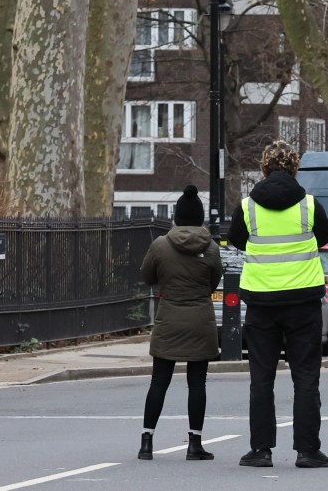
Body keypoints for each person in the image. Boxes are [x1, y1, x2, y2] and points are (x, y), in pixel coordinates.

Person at [228, 140, 328, 469]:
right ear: (294, 167)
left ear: (264, 168)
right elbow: (326, 234)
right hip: (303, 301)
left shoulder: (247, 207)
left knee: (261, 378)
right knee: (305, 377)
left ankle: (260, 450)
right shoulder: (309, 205)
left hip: (261, 303)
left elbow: (236, 239)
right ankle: (307, 450)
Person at [138, 185, 223, 462]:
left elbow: (147, 276)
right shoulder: (210, 248)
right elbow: (214, 282)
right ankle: (194, 443)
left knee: (159, 381)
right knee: (197, 383)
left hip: (169, 319)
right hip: (200, 319)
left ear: (176, 216)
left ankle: (146, 442)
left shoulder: (160, 245)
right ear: (200, 219)